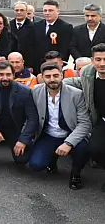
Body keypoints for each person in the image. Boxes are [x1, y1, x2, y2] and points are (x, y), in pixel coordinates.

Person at [30, 62, 91, 190]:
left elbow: (84, 123)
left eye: (56, 75)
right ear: (42, 77)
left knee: (84, 149)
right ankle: (52, 159)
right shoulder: (36, 91)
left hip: (70, 132)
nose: (52, 79)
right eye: (48, 76)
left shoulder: (76, 94)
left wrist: (68, 143)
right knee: (36, 165)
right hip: (49, 134)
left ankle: (76, 174)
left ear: (62, 76)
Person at [0, 61, 39, 173]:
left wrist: (23, 141)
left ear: (13, 74)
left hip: (14, 127)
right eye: (1, 74)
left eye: (8, 74)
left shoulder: (25, 91)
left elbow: (32, 118)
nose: (5, 78)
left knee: (22, 160)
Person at [63, 43, 105, 191]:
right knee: (96, 150)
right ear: (92, 61)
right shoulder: (88, 73)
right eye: (98, 59)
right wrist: (50, 84)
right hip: (102, 120)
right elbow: (76, 82)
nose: (102, 63)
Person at [34, 0, 73, 70]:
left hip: (55, 65)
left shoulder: (66, 27)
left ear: (58, 11)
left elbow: (65, 48)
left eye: (50, 10)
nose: (47, 13)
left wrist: (61, 63)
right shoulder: (36, 25)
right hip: (38, 64)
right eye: (45, 11)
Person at [10, 1, 37, 72]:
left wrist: (30, 65)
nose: (19, 12)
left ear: (26, 12)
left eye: (21, 10)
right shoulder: (8, 26)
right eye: (17, 10)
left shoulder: (34, 27)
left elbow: (35, 48)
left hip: (27, 65)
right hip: (10, 64)